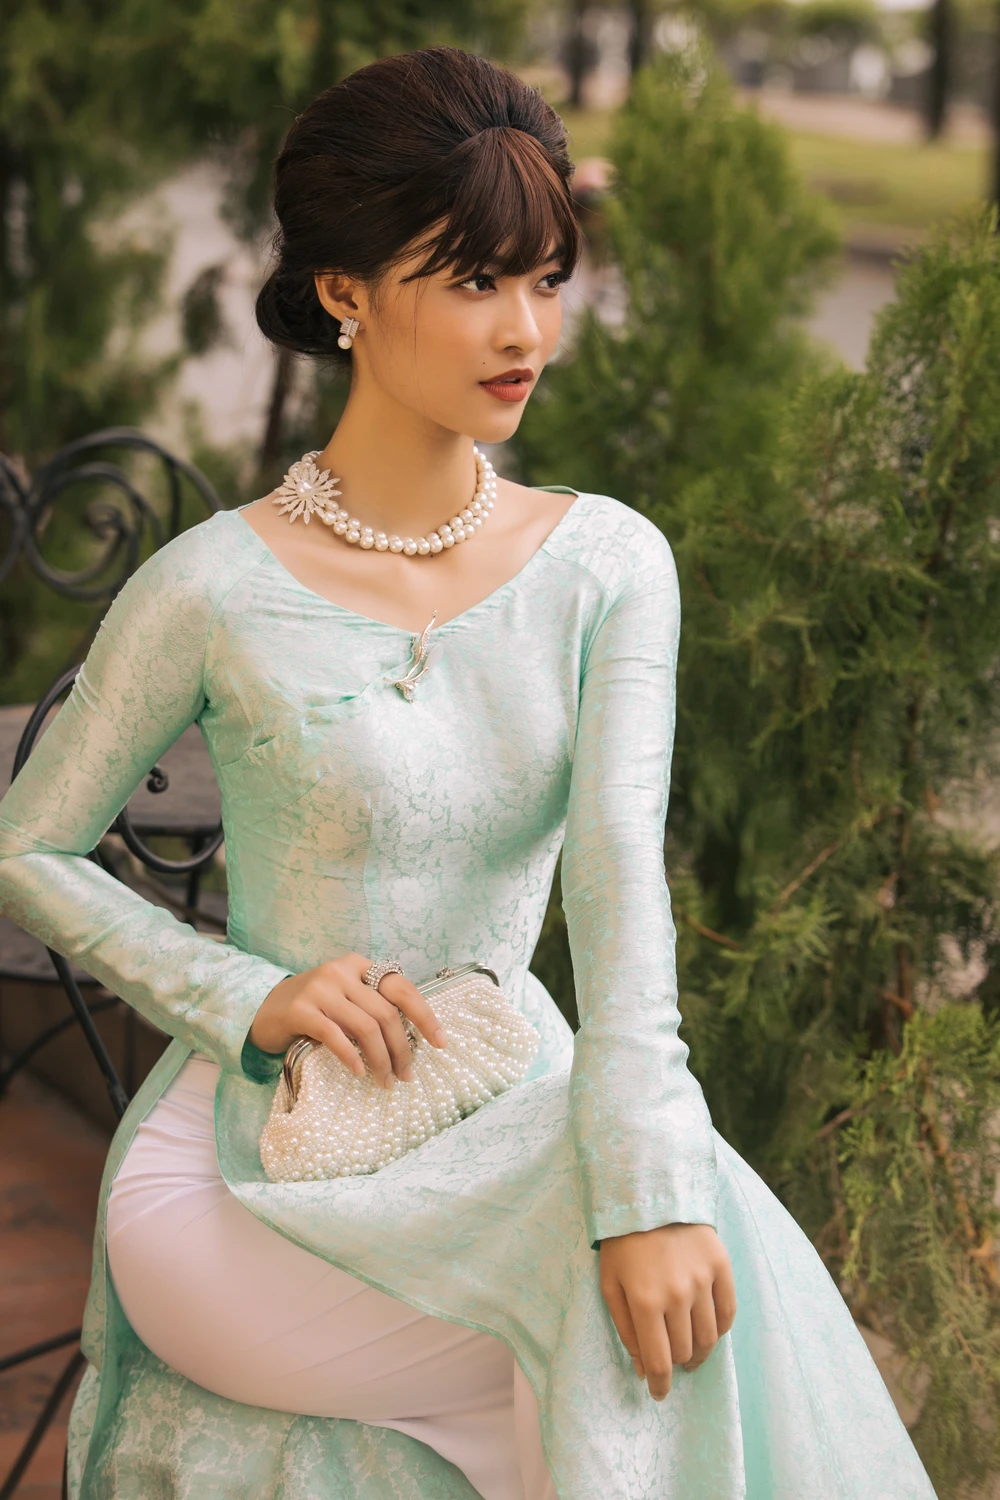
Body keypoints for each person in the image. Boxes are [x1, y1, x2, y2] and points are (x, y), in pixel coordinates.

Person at [0, 47, 935, 1500]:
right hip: (254, 1174)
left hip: (500, 1133)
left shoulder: (607, 566)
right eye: (475, 279)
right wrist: (246, 996)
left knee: (677, 1227)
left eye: (548, 278)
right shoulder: (211, 586)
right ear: (344, 291)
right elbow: (28, 847)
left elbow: (618, 880)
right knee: (641, 1320)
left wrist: (646, 1185)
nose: (527, 330)